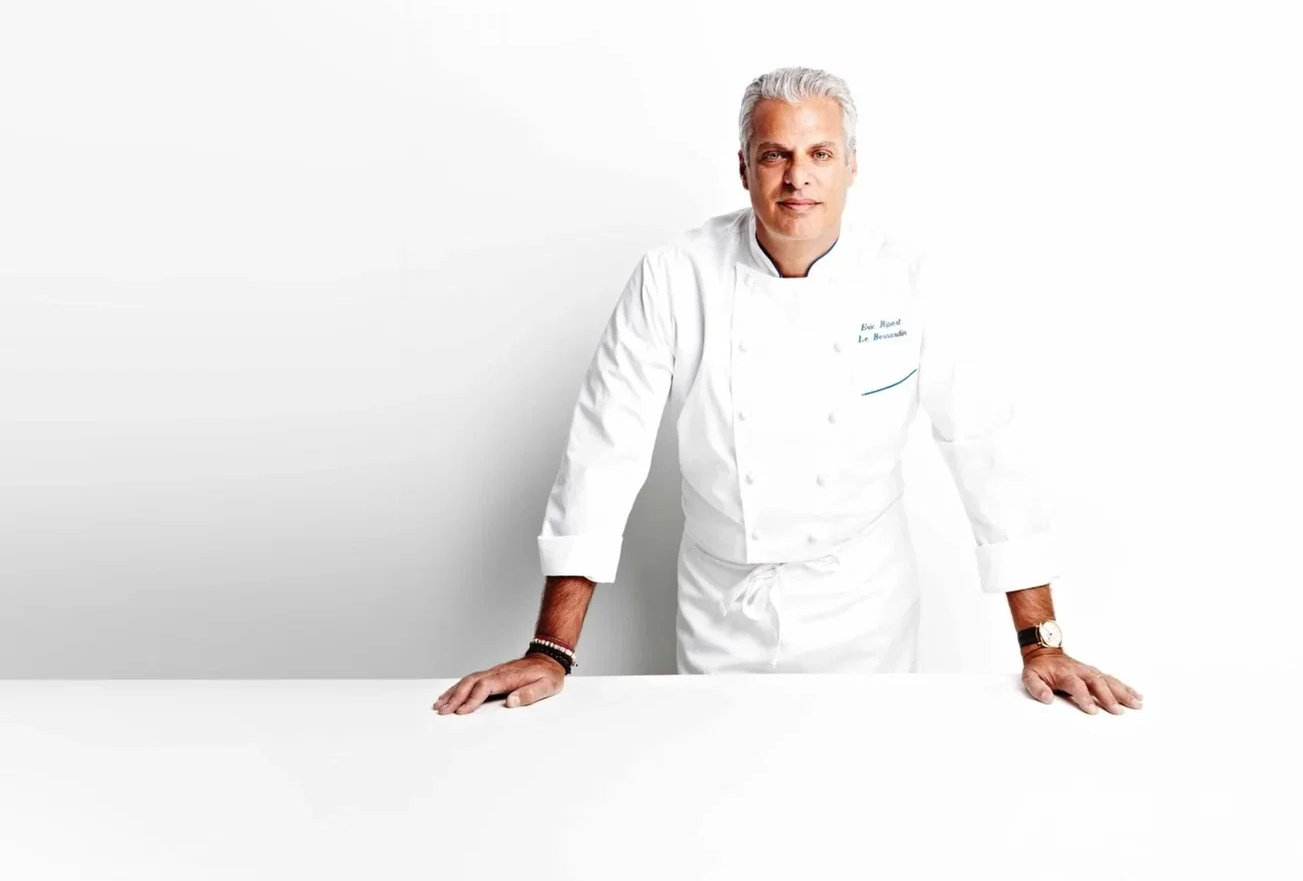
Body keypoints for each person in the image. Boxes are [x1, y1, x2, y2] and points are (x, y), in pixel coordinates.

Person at [435, 67, 1142, 716]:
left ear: (852, 168)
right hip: (722, 617)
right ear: (744, 168)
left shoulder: (911, 278)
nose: (797, 177)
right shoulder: (675, 277)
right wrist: (551, 651)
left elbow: (984, 447)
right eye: (775, 154)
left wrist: (1040, 643)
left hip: (866, 613)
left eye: (820, 154)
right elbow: (603, 454)